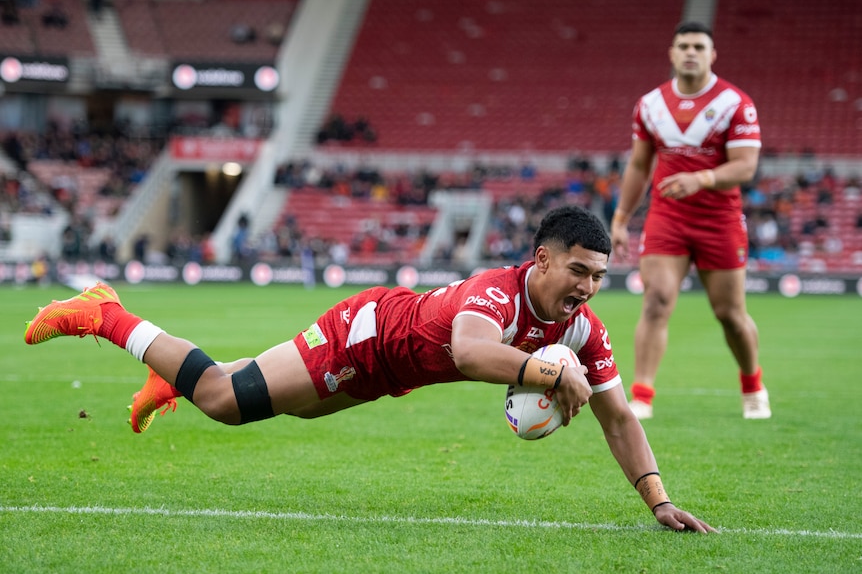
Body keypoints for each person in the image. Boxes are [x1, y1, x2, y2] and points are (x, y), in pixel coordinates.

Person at [25, 205, 714, 533]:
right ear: (541, 258)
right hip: (368, 335)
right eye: (578, 270)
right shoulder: (494, 293)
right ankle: (102, 312)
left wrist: (657, 499)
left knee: (274, 397)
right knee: (225, 399)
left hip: (392, 369)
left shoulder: (584, 328)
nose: (590, 287)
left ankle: (168, 372)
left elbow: (618, 414)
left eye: (599, 275)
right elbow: (472, 351)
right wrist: (546, 372)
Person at [610, 21, 770, 420]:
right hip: (668, 217)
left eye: (699, 46)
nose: (691, 52)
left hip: (720, 220)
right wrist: (620, 217)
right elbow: (639, 164)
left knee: (729, 314)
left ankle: (752, 385)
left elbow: (746, 166)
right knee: (656, 301)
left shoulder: (736, 103)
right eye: (683, 45)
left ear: (713, 54)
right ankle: (642, 397)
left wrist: (702, 178)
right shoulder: (650, 105)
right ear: (672, 52)